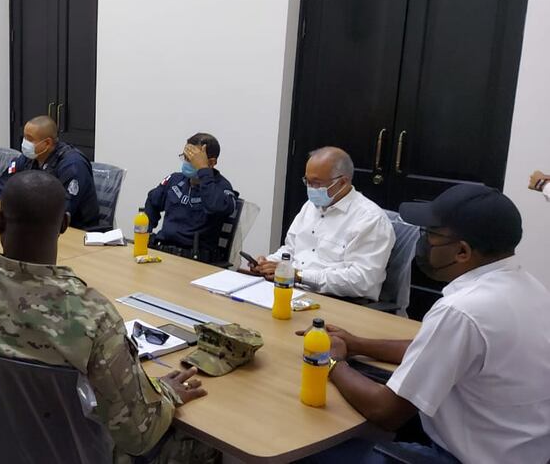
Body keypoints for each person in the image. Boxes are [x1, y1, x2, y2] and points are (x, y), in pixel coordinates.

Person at [0, 170, 211, 461]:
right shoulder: (93, 317)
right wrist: (165, 393)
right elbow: (137, 435)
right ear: (64, 224)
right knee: (197, 443)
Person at [299, 184, 550, 463]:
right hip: (523, 449)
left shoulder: (462, 310)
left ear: (462, 252)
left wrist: (330, 362)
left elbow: (386, 412)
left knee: (306, 448)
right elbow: (434, 348)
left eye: (430, 234)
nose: (423, 242)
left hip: (460, 456)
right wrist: (358, 343)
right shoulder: (531, 289)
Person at [251, 147, 394, 300]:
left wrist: (300, 275)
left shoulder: (371, 219)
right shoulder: (310, 206)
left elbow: (361, 280)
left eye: (317, 183)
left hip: (339, 300)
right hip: (294, 289)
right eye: (307, 181)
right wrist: (269, 263)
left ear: (343, 182)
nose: (310, 188)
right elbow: (291, 249)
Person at [0, 116, 100, 229]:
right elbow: (5, 183)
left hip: (76, 232)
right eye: (24, 137)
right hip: (35, 226)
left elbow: (60, 211)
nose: (24, 143)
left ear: (47, 143)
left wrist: (8, 208)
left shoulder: (72, 165)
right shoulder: (28, 158)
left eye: (30, 139)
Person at [144, 133, 239, 263]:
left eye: (192, 159)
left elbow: (215, 207)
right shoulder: (175, 180)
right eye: (185, 157)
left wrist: (203, 170)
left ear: (211, 162)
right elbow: (152, 201)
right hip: (162, 253)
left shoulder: (222, 187)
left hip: (194, 260)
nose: (186, 162)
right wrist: (144, 233)